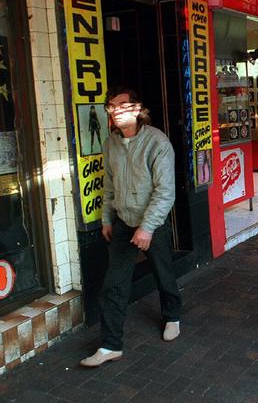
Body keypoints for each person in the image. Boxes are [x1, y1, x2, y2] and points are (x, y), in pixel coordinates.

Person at [80, 87, 181, 368]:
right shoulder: (111, 143)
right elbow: (109, 184)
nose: (115, 111)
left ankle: (172, 316)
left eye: (122, 105)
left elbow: (165, 192)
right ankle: (110, 345)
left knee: (163, 274)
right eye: (111, 107)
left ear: (137, 109)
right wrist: (106, 218)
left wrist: (147, 228)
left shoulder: (157, 142)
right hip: (123, 223)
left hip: (153, 223)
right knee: (114, 283)